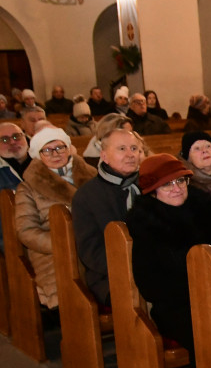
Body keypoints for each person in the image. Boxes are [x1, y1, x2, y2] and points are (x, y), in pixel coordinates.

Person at [126, 154, 211, 359]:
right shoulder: (146, 224)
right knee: (207, 328)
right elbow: (150, 284)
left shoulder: (207, 209)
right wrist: (200, 296)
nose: (177, 188)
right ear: (152, 192)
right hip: (176, 305)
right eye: (167, 185)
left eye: (180, 180)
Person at [14, 127, 97, 322]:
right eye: (47, 150)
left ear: (69, 148)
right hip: (53, 250)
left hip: (93, 242)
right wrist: (62, 243)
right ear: (37, 155)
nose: (56, 154)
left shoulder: (92, 175)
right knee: (70, 280)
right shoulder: (28, 187)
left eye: (60, 147)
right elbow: (25, 230)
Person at [70, 127, 143, 306]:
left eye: (134, 149)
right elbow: (91, 251)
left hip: (153, 268)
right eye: (121, 149)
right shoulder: (87, 195)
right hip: (109, 277)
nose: (130, 154)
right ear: (104, 156)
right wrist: (134, 269)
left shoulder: (149, 184)